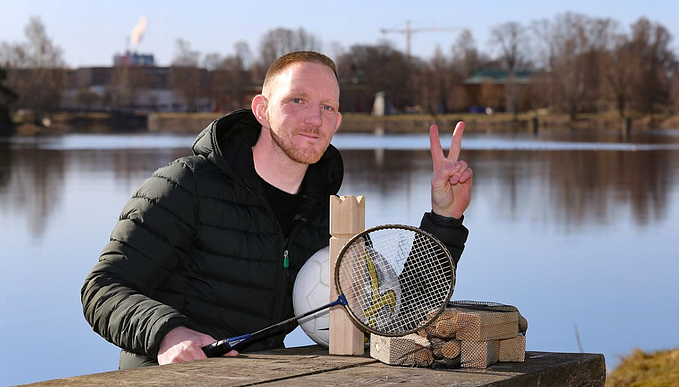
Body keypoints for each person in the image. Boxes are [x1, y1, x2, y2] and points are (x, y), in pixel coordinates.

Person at [81, 51, 473, 369]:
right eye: (297, 100)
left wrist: (445, 218)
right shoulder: (187, 185)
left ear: (337, 119)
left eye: (327, 107)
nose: (314, 119)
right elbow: (102, 289)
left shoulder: (330, 214)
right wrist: (169, 333)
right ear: (262, 109)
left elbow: (390, 316)